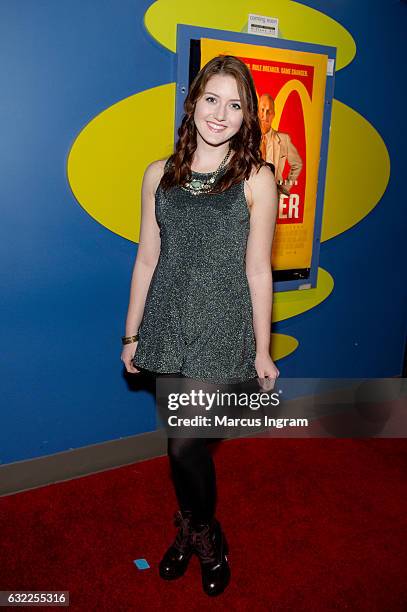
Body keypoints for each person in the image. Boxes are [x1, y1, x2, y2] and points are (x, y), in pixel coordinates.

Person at [121, 55, 279, 597]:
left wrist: (263, 349)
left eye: (235, 105)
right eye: (211, 99)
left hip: (223, 328)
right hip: (168, 324)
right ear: (193, 103)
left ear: (246, 116)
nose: (221, 113)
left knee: (187, 446)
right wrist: (132, 334)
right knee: (177, 445)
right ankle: (193, 527)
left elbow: (259, 269)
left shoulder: (258, 177)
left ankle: (207, 534)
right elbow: (147, 257)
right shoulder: (158, 174)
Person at [258, 92, 303, 195]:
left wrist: (284, 188)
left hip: (272, 196)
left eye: (269, 111)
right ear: (257, 112)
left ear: (273, 115)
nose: (265, 116)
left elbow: (297, 164)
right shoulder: (247, 138)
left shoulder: (284, 140)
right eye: (262, 110)